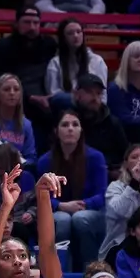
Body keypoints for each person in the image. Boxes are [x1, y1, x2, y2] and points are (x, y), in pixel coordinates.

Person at [36, 107, 110, 268]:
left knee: (80, 218)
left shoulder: (96, 157)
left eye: (75, 124)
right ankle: (59, 271)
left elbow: (103, 194)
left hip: (91, 211)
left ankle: (91, 269)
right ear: (56, 131)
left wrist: (83, 205)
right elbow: (41, 195)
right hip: (57, 211)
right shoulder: (45, 161)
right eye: (65, 125)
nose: (70, 128)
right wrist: (60, 205)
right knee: (62, 220)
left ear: (81, 130)